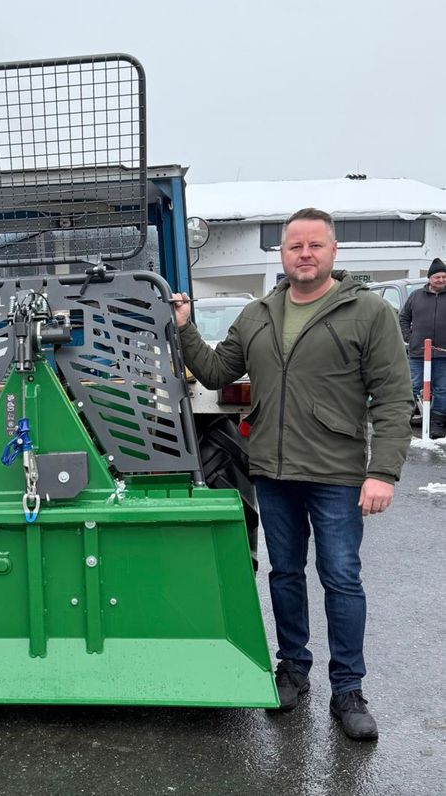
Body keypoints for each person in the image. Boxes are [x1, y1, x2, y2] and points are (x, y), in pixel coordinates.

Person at [171, 208, 412, 741]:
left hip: (337, 472)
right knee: (284, 574)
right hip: (273, 472)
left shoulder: (367, 311)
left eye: (315, 245)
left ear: (333, 252)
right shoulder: (257, 314)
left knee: (341, 578)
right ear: (282, 254)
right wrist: (186, 330)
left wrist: (383, 472)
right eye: (294, 246)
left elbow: (394, 398)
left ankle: (348, 689)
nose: (305, 254)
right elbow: (215, 371)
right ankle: (293, 671)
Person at [399, 258, 446, 438]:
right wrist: (410, 339)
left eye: (444, 276)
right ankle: (403, 420)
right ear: (430, 279)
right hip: (418, 353)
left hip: (443, 355)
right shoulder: (416, 296)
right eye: (437, 277)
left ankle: (436, 423)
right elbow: (403, 318)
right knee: (412, 386)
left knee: (442, 389)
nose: (441, 280)